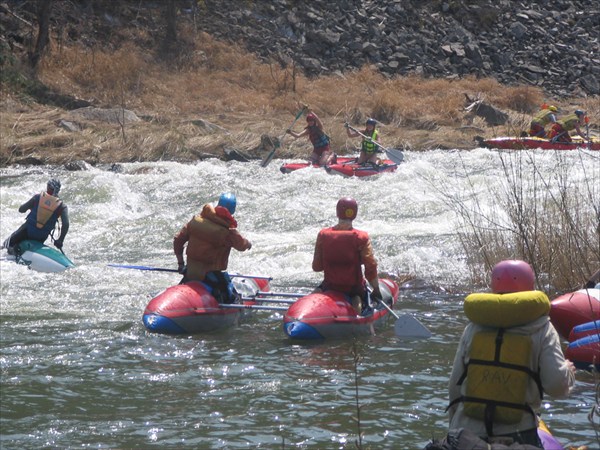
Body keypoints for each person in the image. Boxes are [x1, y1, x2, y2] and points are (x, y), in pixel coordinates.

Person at [445, 260, 575, 448]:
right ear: (530, 288)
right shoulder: (542, 327)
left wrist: (454, 432)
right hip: (518, 435)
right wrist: (568, 372)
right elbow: (556, 385)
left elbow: (454, 388)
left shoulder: (473, 327)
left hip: (468, 432)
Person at [173, 193, 252, 303]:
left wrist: (181, 263)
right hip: (210, 276)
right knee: (232, 296)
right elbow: (242, 245)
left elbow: (177, 240)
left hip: (190, 273)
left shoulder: (195, 221)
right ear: (232, 211)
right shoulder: (227, 233)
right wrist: (248, 244)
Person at [311, 197, 382, 315]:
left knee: (319, 289)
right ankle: (357, 315)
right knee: (358, 297)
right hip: (354, 290)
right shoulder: (361, 237)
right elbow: (370, 266)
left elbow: (317, 267)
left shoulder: (323, 235)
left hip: (329, 286)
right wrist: (376, 289)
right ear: (354, 214)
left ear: (337, 212)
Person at [2, 179, 69, 255]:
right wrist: (60, 240)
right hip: (41, 237)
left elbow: (21, 209)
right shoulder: (61, 206)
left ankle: (10, 251)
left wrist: (32, 207)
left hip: (27, 232)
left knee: (6, 244)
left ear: (48, 187)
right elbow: (66, 224)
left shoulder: (38, 197)